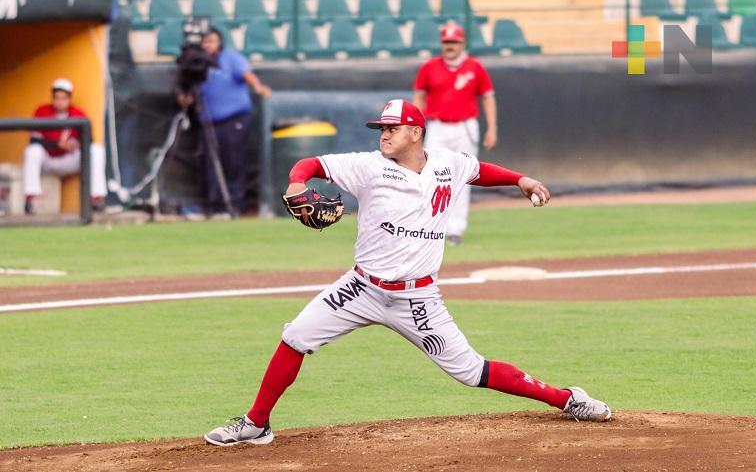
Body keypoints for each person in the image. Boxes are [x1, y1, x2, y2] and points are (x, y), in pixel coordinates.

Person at [203, 99, 611, 447]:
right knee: (295, 336)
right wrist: (296, 183)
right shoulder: (368, 166)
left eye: (391, 128)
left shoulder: (448, 163)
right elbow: (310, 163)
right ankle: (256, 424)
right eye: (381, 128)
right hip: (361, 288)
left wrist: (520, 179)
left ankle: (567, 398)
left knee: (472, 371)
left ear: (416, 132)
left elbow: (478, 170)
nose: (383, 135)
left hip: (417, 298)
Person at [413, 22, 498, 245]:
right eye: (446, 41)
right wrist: (416, 126)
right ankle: (431, 226)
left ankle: (456, 229)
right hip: (437, 125)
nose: (450, 45)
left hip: (465, 126)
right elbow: (419, 96)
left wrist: (492, 128)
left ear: (462, 43)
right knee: (431, 175)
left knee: (463, 176)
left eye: (454, 41)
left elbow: (488, 97)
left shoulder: (475, 67)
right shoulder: (429, 67)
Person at [177, 28, 271, 218]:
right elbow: (187, 91)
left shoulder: (230, 58)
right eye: (205, 42)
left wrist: (258, 87)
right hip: (207, 122)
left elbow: (247, 74)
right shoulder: (197, 64)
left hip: (233, 120)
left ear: (219, 43)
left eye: (211, 41)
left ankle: (234, 205)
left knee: (233, 163)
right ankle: (213, 206)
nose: (208, 45)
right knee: (209, 165)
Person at [23, 79, 107, 214]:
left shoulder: (78, 113)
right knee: (32, 151)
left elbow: (89, 139)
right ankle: (30, 198)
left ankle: (96, 199)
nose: (60, 102)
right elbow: (33, 140)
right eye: (57, 98)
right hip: (48, 159)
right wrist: (56, 144)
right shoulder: (42, 111)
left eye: (63, 98)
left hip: (69, 159)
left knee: (96, 150)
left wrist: (76, 144)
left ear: (69, 99)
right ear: (52, 98)